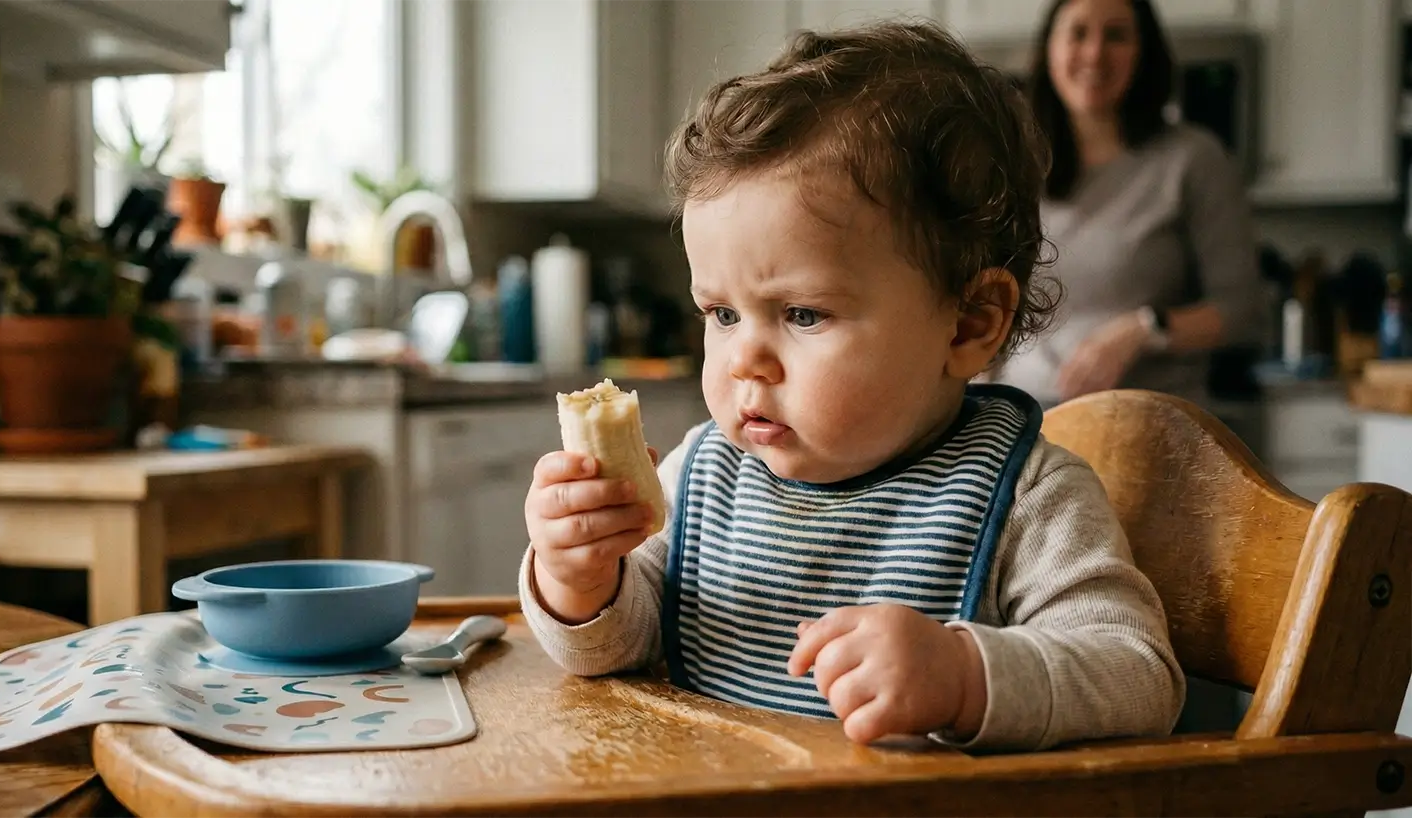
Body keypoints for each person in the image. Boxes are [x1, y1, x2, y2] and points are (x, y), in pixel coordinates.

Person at [515, 19, 1184, 752]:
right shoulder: (702, 476)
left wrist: (966, 675)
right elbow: (624, 644)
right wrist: (578, 582)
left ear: (968, 324)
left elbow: (1140, 676)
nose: (744, 361)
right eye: (723, 313)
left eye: (802, 314)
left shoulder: (1027, 496)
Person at [986, 0, 1262, 407]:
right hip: (1024, 422)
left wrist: (1143, 329)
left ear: (1144, 53)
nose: (1095, 53)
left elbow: (1244, 311)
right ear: (1049, 50)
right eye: (1078, 33)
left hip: (1148, 425)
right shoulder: (1013, 163)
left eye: (1115, 35)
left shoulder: (1192, 159)